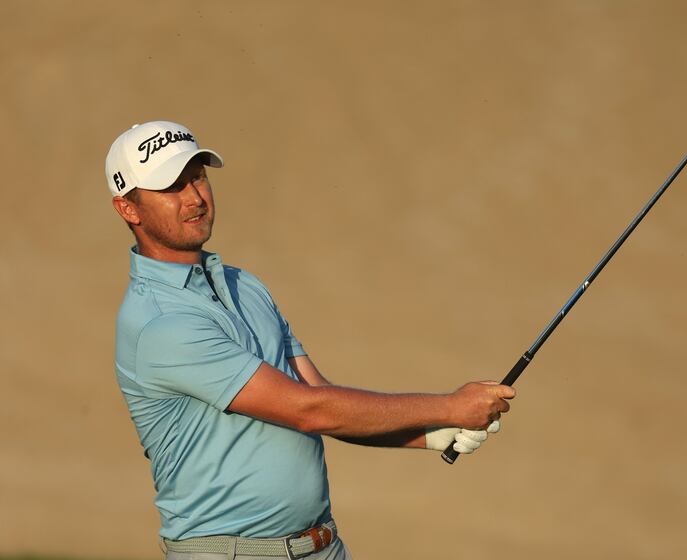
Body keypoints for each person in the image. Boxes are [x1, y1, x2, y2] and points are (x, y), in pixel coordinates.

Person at [107, 120, 515, 560]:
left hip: (322, 546)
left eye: (198, 176)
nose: (195, 197)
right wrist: (448, 406)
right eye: (171, 187)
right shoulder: (160, 323)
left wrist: (431, 433)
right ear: (129, 210)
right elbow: (309, 412)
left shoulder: (244, 285)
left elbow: (317, 393)